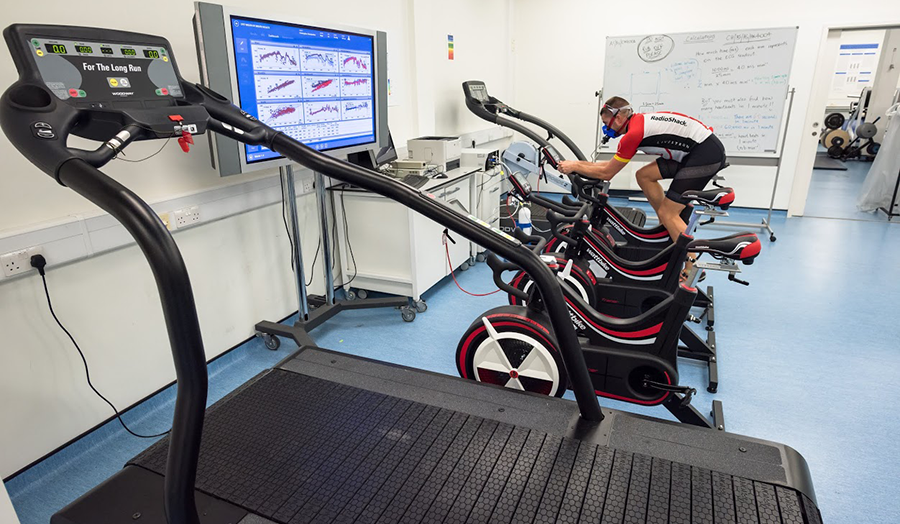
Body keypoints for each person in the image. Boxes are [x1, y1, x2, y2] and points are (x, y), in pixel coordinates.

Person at [557, 96, 727, 279]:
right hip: (696, 150)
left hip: (705, 154)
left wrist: (574, 166)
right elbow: (606, 167)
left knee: (668, 212)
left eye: (607, 123)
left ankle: (692, 267)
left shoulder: (632, 135)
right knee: (644, 176)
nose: (606, 128)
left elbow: (607, 172)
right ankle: (669, 229)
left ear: (619, 118)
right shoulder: (637, 122)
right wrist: (576, 164)